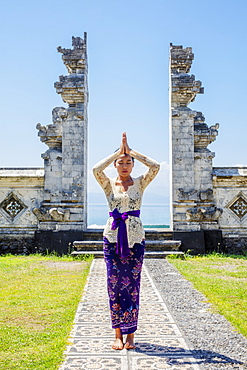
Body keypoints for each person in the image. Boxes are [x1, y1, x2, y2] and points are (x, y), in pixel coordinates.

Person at [92, 132, 160, 350]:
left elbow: (155, 166)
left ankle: (131, 335)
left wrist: (131, 151)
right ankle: (118, 334)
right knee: (114, 286)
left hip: (136, 240)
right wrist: (116, 153)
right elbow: (95, 169)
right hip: (112, 238)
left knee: (132, 285)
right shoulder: (108, 183)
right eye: (120, 162)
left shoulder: (140, 182)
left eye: (128, 162)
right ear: (114, 165)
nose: (124, 165)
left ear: (132, 165)